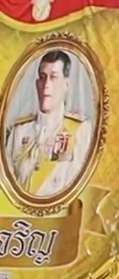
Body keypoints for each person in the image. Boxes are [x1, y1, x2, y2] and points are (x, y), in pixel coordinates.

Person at [8, 50, 92, 199]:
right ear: (37, 84)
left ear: (66, 85)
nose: (46, 85)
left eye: (53, 77)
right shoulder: (19, 131)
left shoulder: (80, 131)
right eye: (42, 77)